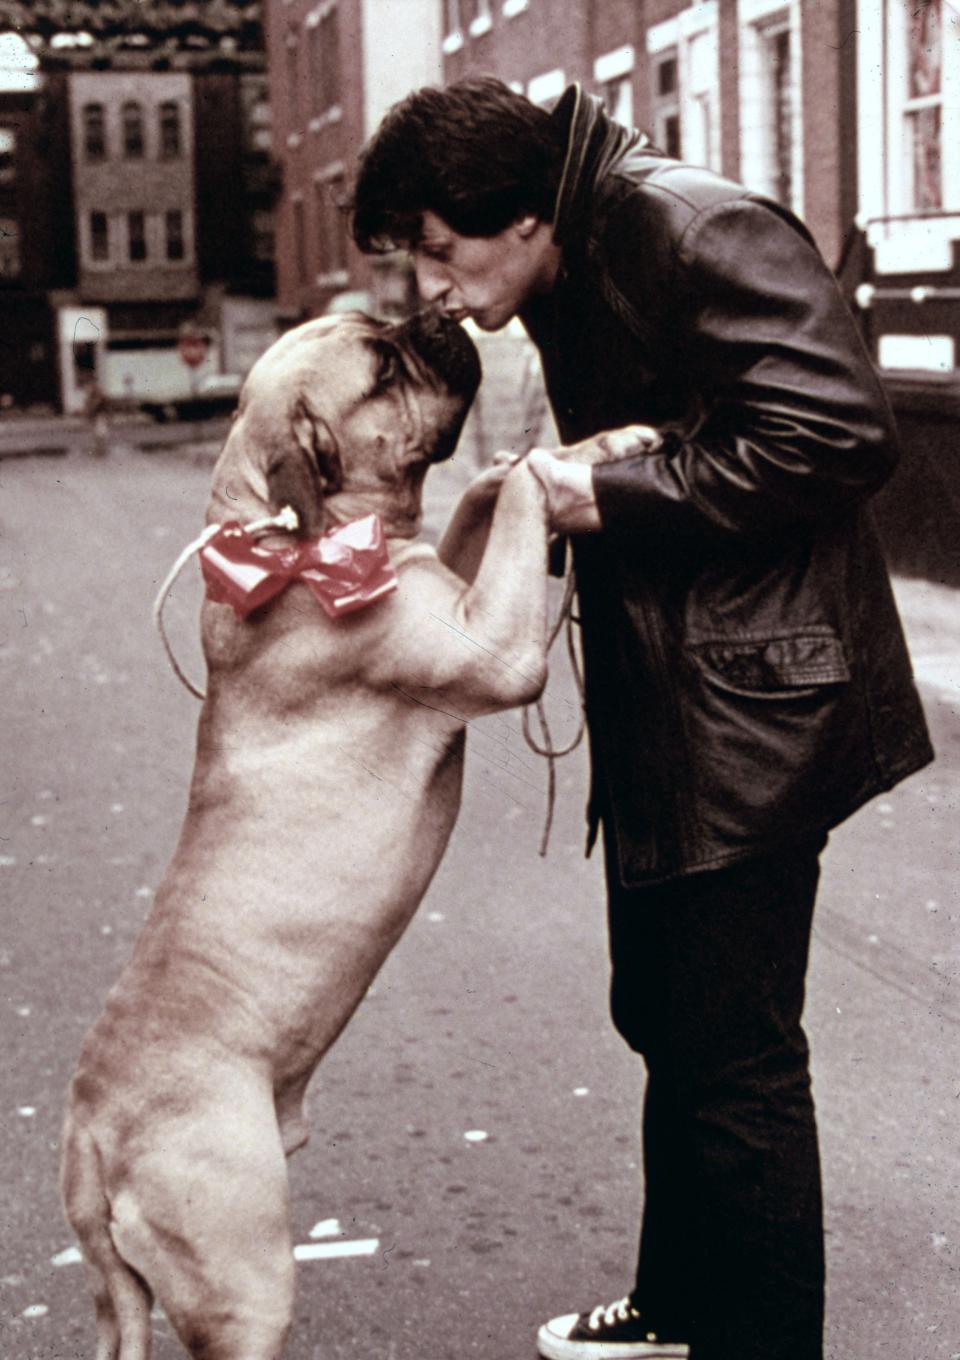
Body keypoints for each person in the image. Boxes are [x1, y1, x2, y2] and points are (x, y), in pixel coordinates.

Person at [350, 77, 933, 1360]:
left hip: (754, 705)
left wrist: (607, 492)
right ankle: (678, 1306)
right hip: (685, 692)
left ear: (514, 212)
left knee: (736, 1057)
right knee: (669, 1013)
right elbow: (697, 431)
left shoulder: (687, 227)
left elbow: (840, 430)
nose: (435, 289)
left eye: (441, 253)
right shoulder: (576, 255)